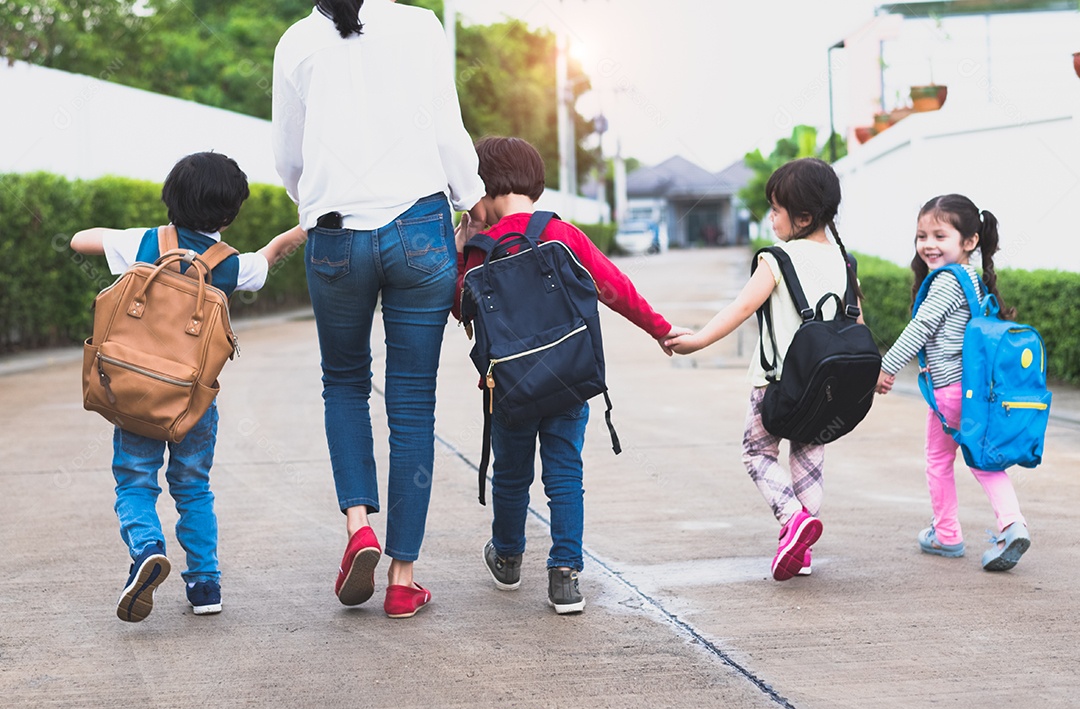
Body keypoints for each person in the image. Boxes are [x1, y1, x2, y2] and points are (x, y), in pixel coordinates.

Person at [272, 0, 488, 618]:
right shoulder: (422, 26)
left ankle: (358, 528)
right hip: (418, 226)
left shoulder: (296, 42)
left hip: (335, 234)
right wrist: (470, 199)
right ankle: (402, 575)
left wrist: (315, 200)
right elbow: (446, 126)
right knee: (413, 401)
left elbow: (289, 158)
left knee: (343, 384)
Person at [452, 136, 687, 613]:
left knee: (512, 474)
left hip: (509, 389)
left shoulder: (481, 248)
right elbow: (614, 288)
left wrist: (460, 247)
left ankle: (509, 560)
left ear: (485, 185)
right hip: (567, 377)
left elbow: (460, 308)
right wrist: (659, 329)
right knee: (564, 472)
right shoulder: (563, 234)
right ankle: (565, 575)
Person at [70, 151, 307, 622]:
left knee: (135, 482)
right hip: (191, 404)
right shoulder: (231, 265)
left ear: (169, 199)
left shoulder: (142, 242)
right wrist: (305, 227)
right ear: (230, 212)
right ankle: (204, 586)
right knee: (194, 488)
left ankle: (146, 551)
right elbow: (272, 253)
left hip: (134, 394)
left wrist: (123, 239)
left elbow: (80, 241)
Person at [665, 157, 861, 581]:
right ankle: (803, 550)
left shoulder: (776, 259)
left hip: (776, 385)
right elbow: (856, 324)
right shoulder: (845, 262)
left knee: (758, 453)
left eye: (776, 210)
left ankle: (793, 520)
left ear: (803, 216)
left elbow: (741, 308)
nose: (771, 218)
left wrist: (697, 341)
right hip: (826, 386)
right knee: (809, 459)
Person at [875, 194, 1030, 571]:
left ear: (969, 241)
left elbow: (921, 327)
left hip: (949, 393)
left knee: (939, 460)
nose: (928, 244)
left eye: (939, 236)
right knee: (985, 462)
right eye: (921, 236)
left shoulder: (946, 283)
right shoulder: (973, 280)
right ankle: (1012, 524)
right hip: (975, 392)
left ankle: (947, 533)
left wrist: (886, 366)